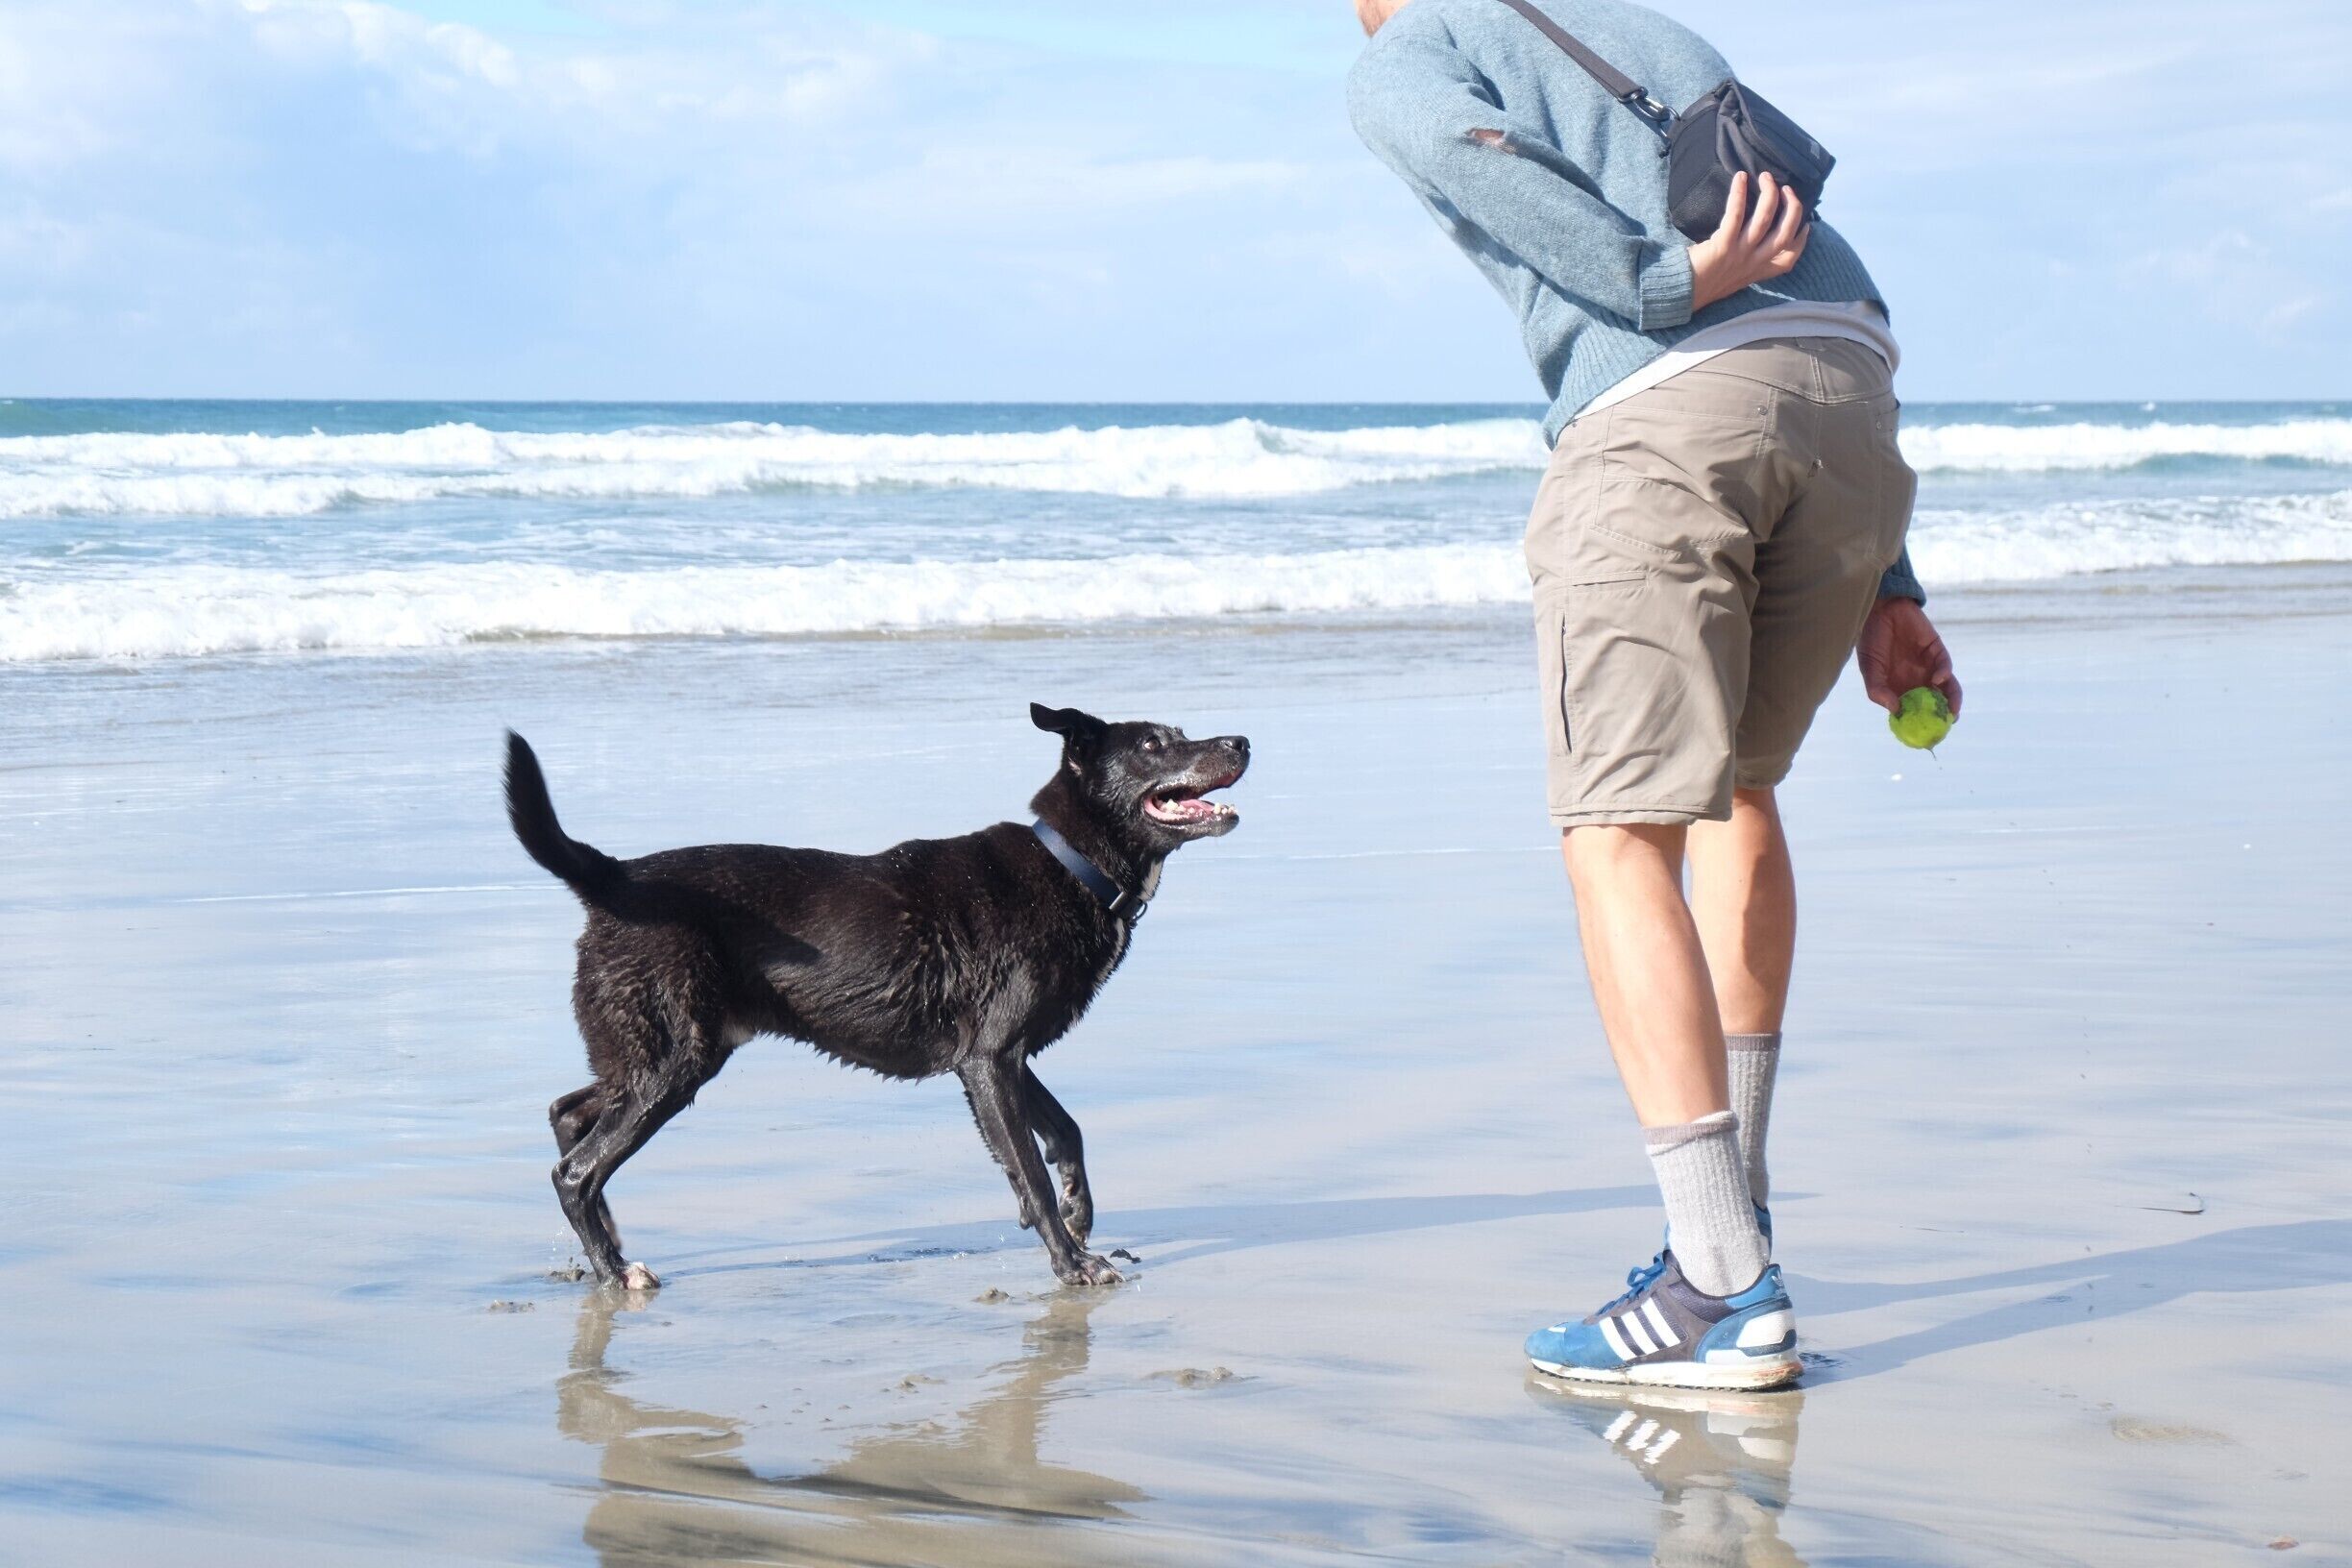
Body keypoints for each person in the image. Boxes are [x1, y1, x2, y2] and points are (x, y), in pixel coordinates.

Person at [1348, 0, 1962, 1388]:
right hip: (1850, 394)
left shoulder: (1400, 55)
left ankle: (1720, 1286)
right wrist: (1891, 586)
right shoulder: (1627, 22)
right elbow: (1778, 214)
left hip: (1672, 411)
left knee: (1617, 830)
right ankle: (1732, 1220)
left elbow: (1476, 167)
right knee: (1735, 793)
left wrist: (1656, 289)